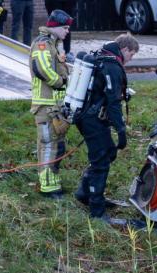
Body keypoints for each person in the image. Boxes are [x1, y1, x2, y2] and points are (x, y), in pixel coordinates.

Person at [74, 33, 139, 221]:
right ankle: (96, 210)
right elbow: (113, 102)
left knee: (109, 151)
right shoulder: (112, 65)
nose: (131, 59)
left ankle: (84, 192)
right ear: (125, 49)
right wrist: (121, 130)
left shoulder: (100, 56)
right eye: (132, 55)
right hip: (92, 119)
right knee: (101, 160)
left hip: (87, 116)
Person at [29, 9, 72, 199]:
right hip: (44, 105)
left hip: (54, 105)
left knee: (57, 144)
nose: (67, 31)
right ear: (55, 27)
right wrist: (60, 82)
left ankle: (53, 180)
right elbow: (41, 68)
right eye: (65, 28)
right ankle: (47, 186)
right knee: (47, 144)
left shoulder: (54, 44)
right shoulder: (42, 44)